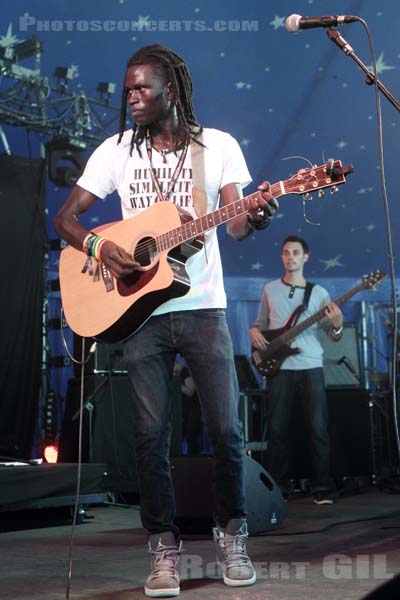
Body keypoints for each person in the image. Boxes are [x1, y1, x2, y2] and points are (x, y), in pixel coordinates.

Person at [54, 44, 278, 597]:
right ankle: (162, 547)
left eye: (141, 89)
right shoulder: (114, 151)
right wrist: (102, 245)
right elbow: (66, 219)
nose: (130, 98)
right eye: (127, 89)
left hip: (203, 306)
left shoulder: (218, 146)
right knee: (150, 436)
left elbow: (235, 226)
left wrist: (257, 215)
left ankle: (232, 534)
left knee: (226, 431)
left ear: (170, 91)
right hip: (139, 313)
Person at [249, 236, 343, 505]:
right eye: (286, 253)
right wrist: (254, 330)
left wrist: (336, 325)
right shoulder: (269, 289)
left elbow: (333, 335)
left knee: (318, 428)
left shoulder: (319, 293)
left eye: (296, 253)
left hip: (311, 365)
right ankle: (277, 488)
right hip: (280, 367)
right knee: (277, 429)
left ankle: (322, 487)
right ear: (282, 257)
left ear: (306, 257)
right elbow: (260, 323)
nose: (290, 257)